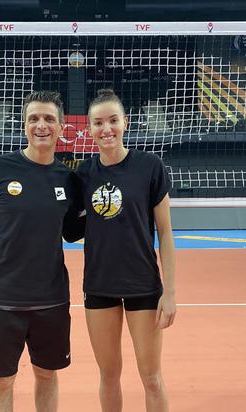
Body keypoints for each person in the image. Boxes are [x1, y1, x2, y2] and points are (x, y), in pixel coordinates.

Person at [0, 91, 83, 412]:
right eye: (34, 118)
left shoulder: (67, 178)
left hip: (51, 300)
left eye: (49, 119)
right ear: (24, 125)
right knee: (1, 381)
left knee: (47, 375)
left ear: (61, 127)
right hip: (1, 300)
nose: (41, 125)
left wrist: (104, 210)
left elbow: (71, 232)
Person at [75, 89, 177, 412]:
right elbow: (69, 225)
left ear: (125, 123)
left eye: (113, 121)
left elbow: (165, 233)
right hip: (99, 284)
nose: (106, 129)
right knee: (108, 375)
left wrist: (170, 293)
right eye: (98, 123)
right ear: (89, 129)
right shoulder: (83, 174)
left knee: (151, 377)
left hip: (143, 284)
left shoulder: (150, 167)